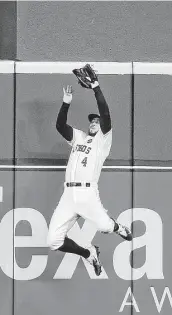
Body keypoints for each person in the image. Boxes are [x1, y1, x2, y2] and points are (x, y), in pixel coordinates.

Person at [47, 68, 132, 276]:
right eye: (92, 121)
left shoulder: (103, 141)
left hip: (87, 194)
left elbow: (105, 113)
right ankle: (89, 253)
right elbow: (60, 126)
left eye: (97, 121)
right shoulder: (79, 137)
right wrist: (66, 102)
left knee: (104, 226)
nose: (94, 122)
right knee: (53, 241)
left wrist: (96, 87)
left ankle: (118, 227)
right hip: (69, 196)